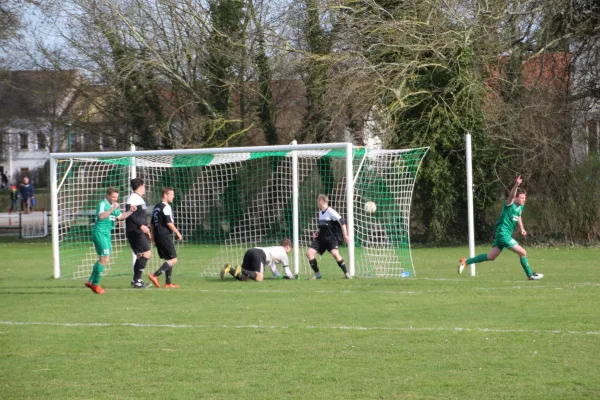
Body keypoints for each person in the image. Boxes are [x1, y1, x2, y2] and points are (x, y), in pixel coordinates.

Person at [458, 175, 543, 280]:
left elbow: (519, 215)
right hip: (503, 234)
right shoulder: (509, 204)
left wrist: (522, 228)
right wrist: (516, 185)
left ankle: (465, 262)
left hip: (501, 234)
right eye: (521, 198)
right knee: (523, 252)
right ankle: (530, 275)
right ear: (516, 198)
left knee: (491, 257)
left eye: (525, 198)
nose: (524, 200)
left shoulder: (520, 207)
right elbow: (511, 196)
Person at [85, 187, 137, 294]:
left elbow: (121, 216)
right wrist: (112, 209)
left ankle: (90, 281)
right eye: (113, 197)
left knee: (105, 258)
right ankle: (95, 284)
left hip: (107, 234)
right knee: (104, 258)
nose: (115, 199)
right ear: (107, 195)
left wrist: (130, 211)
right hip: (100, 232)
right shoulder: (103, 204)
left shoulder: (114, 206)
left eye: (116, 197)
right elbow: (101, 216)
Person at [306, 194, 351, 279]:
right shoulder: (320, 213)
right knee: (309, 253)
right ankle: (318, 274)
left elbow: (342, 221)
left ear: (321, 201)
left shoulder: (330, 211)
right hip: (321, 239)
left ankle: (346, 273)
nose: (317, 202)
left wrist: (345, 235)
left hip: (331, 239)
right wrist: (317, 232)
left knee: (335, 254)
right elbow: (324, 227)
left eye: (318, 200)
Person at [148, 187, 183, 289]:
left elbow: (152, 225)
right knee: (174, 259)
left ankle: (168, 283)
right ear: (165, 195)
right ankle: (155, 275)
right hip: (164, 235)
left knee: (169, 258)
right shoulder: (166, 207)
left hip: (158, 235)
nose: (173, 196)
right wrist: (177, 232)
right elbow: (169, 223)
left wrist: (153, 238)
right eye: (171, 194)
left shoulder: (156, 207)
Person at [220, 238, 295, 281]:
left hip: (250, 251)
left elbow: (272, 266)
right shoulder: (284, 255)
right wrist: (293, 278)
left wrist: (280, 276)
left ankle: (229, 269)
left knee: (244, 278)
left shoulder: (275, 249)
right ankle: (240, 269)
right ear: (288, 247)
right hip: (259, 254)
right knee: (260, 278)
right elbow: (287, 272)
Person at [126, 178, 152, 288]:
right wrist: (141, 226)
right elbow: (130, 214)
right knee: (147, 253)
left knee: (141, 255)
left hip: (138, 230)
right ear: (141, 185)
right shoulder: (133, 198)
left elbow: (140, 216)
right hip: (135, 231)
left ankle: (136, 280)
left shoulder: (137, 198)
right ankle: (137, 280)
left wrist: (146, 227)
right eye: (144, 186)